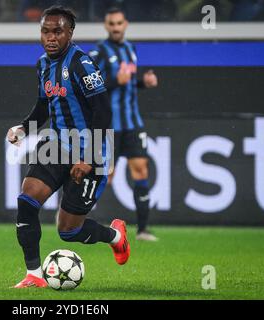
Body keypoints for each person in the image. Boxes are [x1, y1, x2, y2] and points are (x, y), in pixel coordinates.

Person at [6, 5, 130, 288]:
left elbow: (103, 111)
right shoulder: (42, 65)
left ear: (70, 33)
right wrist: (24, 128)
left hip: (92, 151)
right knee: (27, 201)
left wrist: (89, 158)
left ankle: (115, 237)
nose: (50, 37)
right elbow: (42, 106)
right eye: (45, 31)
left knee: (69, 232)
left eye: (57, 31)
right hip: (58, 146)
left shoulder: (81, 64)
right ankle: (34, 276)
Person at [90, 7, 159, 241]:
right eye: (112, 24)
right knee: (105, 176)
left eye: (119, 23)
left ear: (126, 24)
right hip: (110, 126)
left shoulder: (131, 49)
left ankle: (143, 230)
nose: (116, 27)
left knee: (141, 170)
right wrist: (113, 81)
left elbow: (127, 83)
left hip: (133, 124)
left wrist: (143, 83)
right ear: (106, 26)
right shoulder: (99, 52)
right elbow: (92, 87)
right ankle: (75, 217)